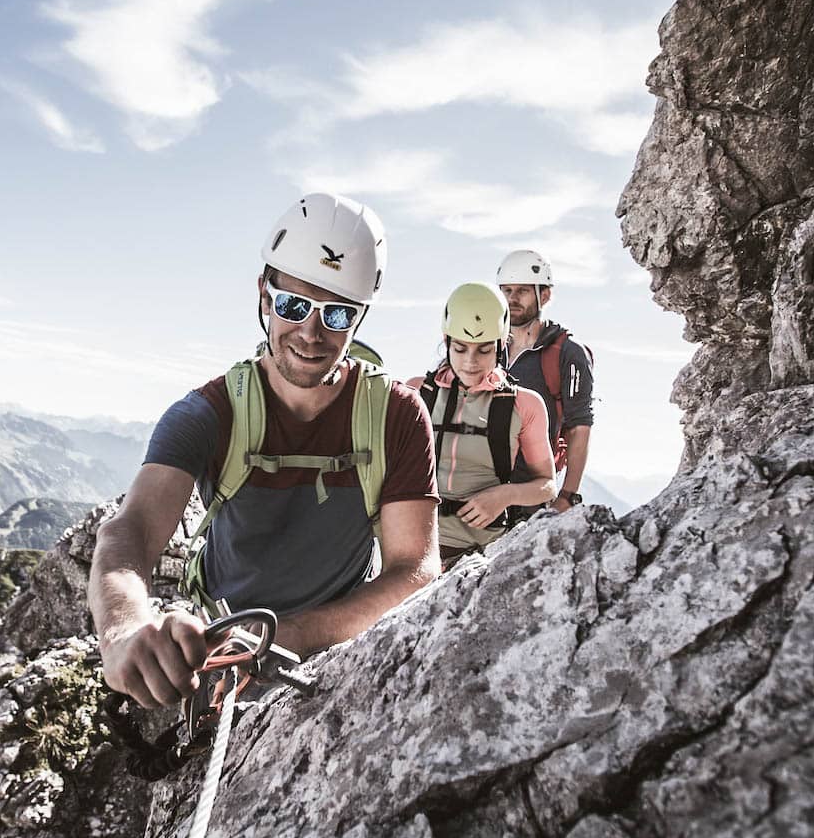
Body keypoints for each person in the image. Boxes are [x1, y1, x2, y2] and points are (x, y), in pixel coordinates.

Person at [88, 193, 441, 709]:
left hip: (331, 650)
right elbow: (131, 530)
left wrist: (288, 634)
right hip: (222, 648)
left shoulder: (396, 416)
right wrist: (123, 627)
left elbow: (415, 569)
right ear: (264, 296)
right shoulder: (208, 414)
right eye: (294, 305)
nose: (311, 333)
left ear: (359, 319)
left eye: (338, 315)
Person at [407, 283, 556, 568]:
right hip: (413, 548)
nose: (470, 362)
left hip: (480, 554)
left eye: (484, 350)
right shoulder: (416, 392)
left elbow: (547, 486)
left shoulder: (524, 404)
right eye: (460, 348)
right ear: (446, 340)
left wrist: (504, 495)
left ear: (501, 345)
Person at [496, 249, 596, 514]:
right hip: (485, 491)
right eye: (506, 290)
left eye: (522, 291)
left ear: (545, 295)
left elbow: (579, 428)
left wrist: (567, 496)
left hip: (532, 496)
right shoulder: (487, 348)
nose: (512, 299)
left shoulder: (568, 353)